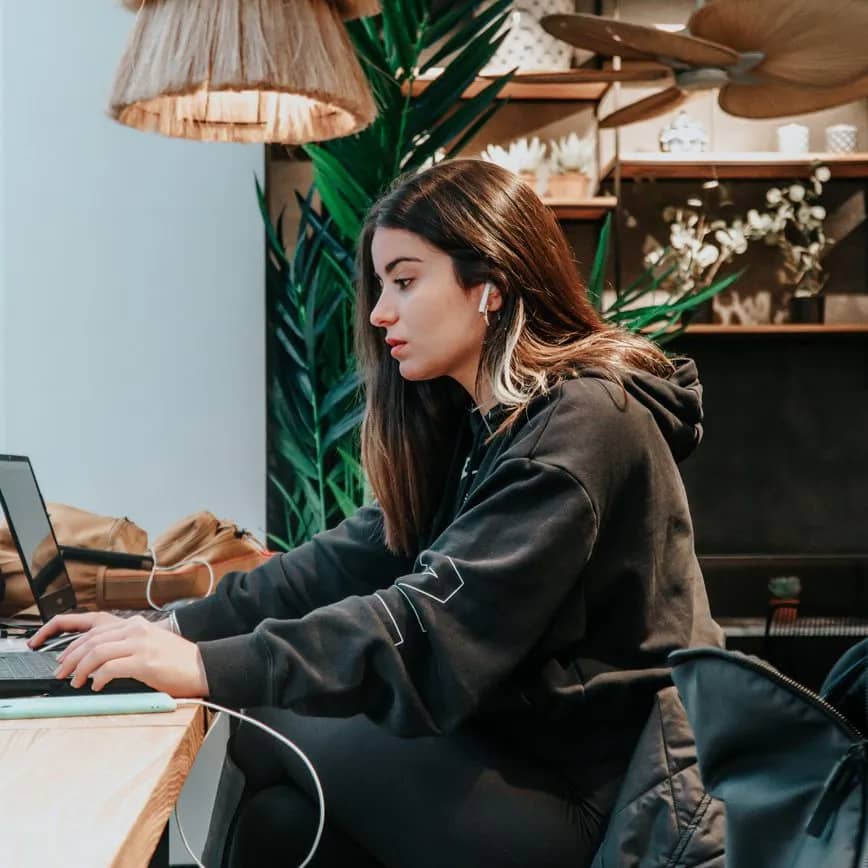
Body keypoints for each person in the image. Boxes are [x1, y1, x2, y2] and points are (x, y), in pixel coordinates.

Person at [29, 159, 724, 868]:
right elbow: (341, 562)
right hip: (510, 761)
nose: (379, 312)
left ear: (490, 283)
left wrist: (203, 664)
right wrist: (162, 630)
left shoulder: (584, 424)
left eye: (405, 279)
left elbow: (429, 627)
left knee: (265, 713)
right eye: (381, 284)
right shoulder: (480, 429)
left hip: (600, 806)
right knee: (280, 825)